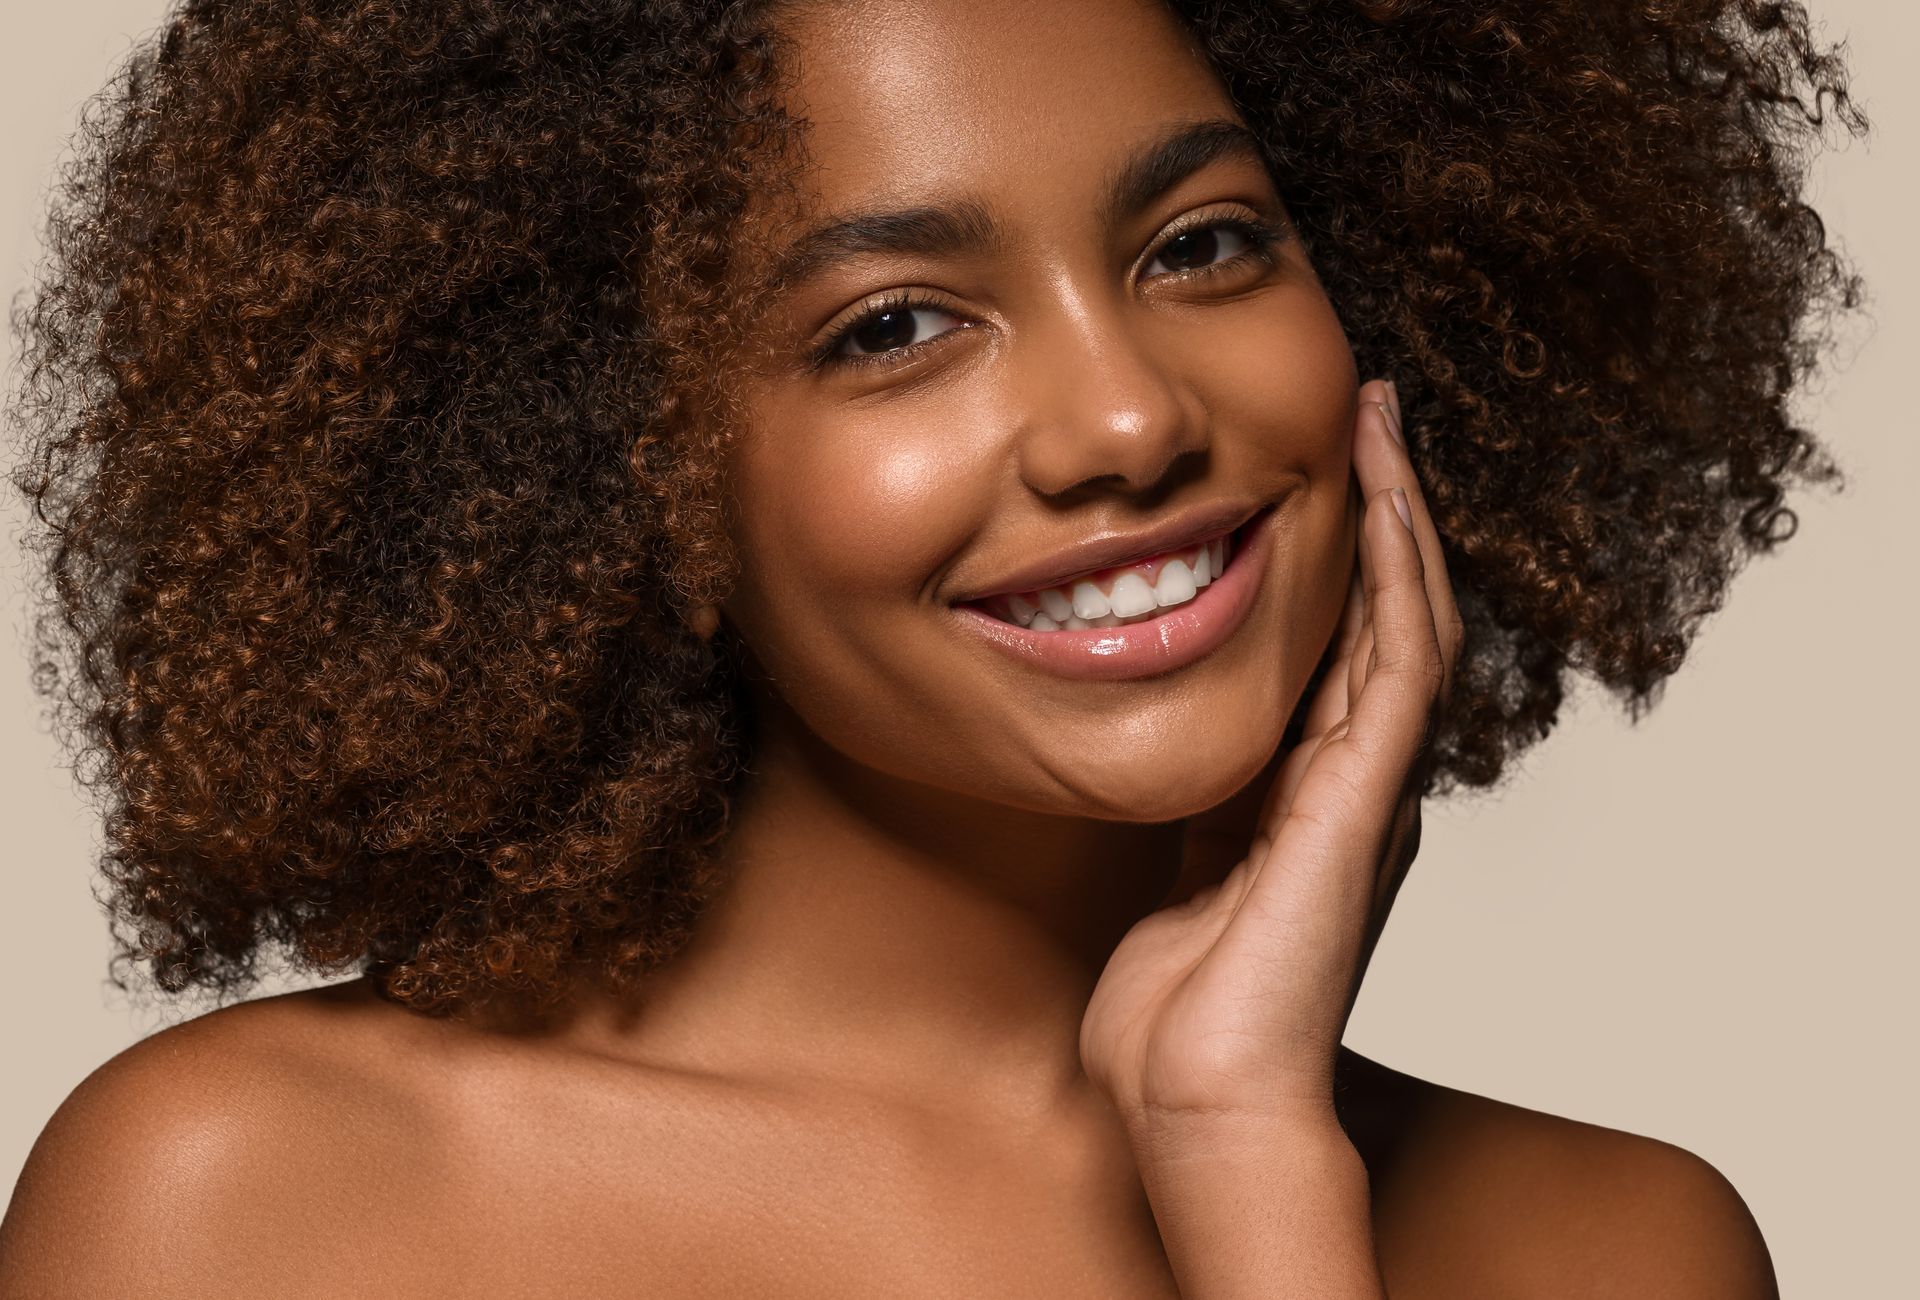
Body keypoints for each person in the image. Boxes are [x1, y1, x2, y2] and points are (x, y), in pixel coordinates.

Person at [0, 0, 1858, 1293]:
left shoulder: (1618, 1249)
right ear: (599, 449)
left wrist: (1243, 1167)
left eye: (1203, 247)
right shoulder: (259, 1206)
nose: (1125, 420)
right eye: (894, 326)